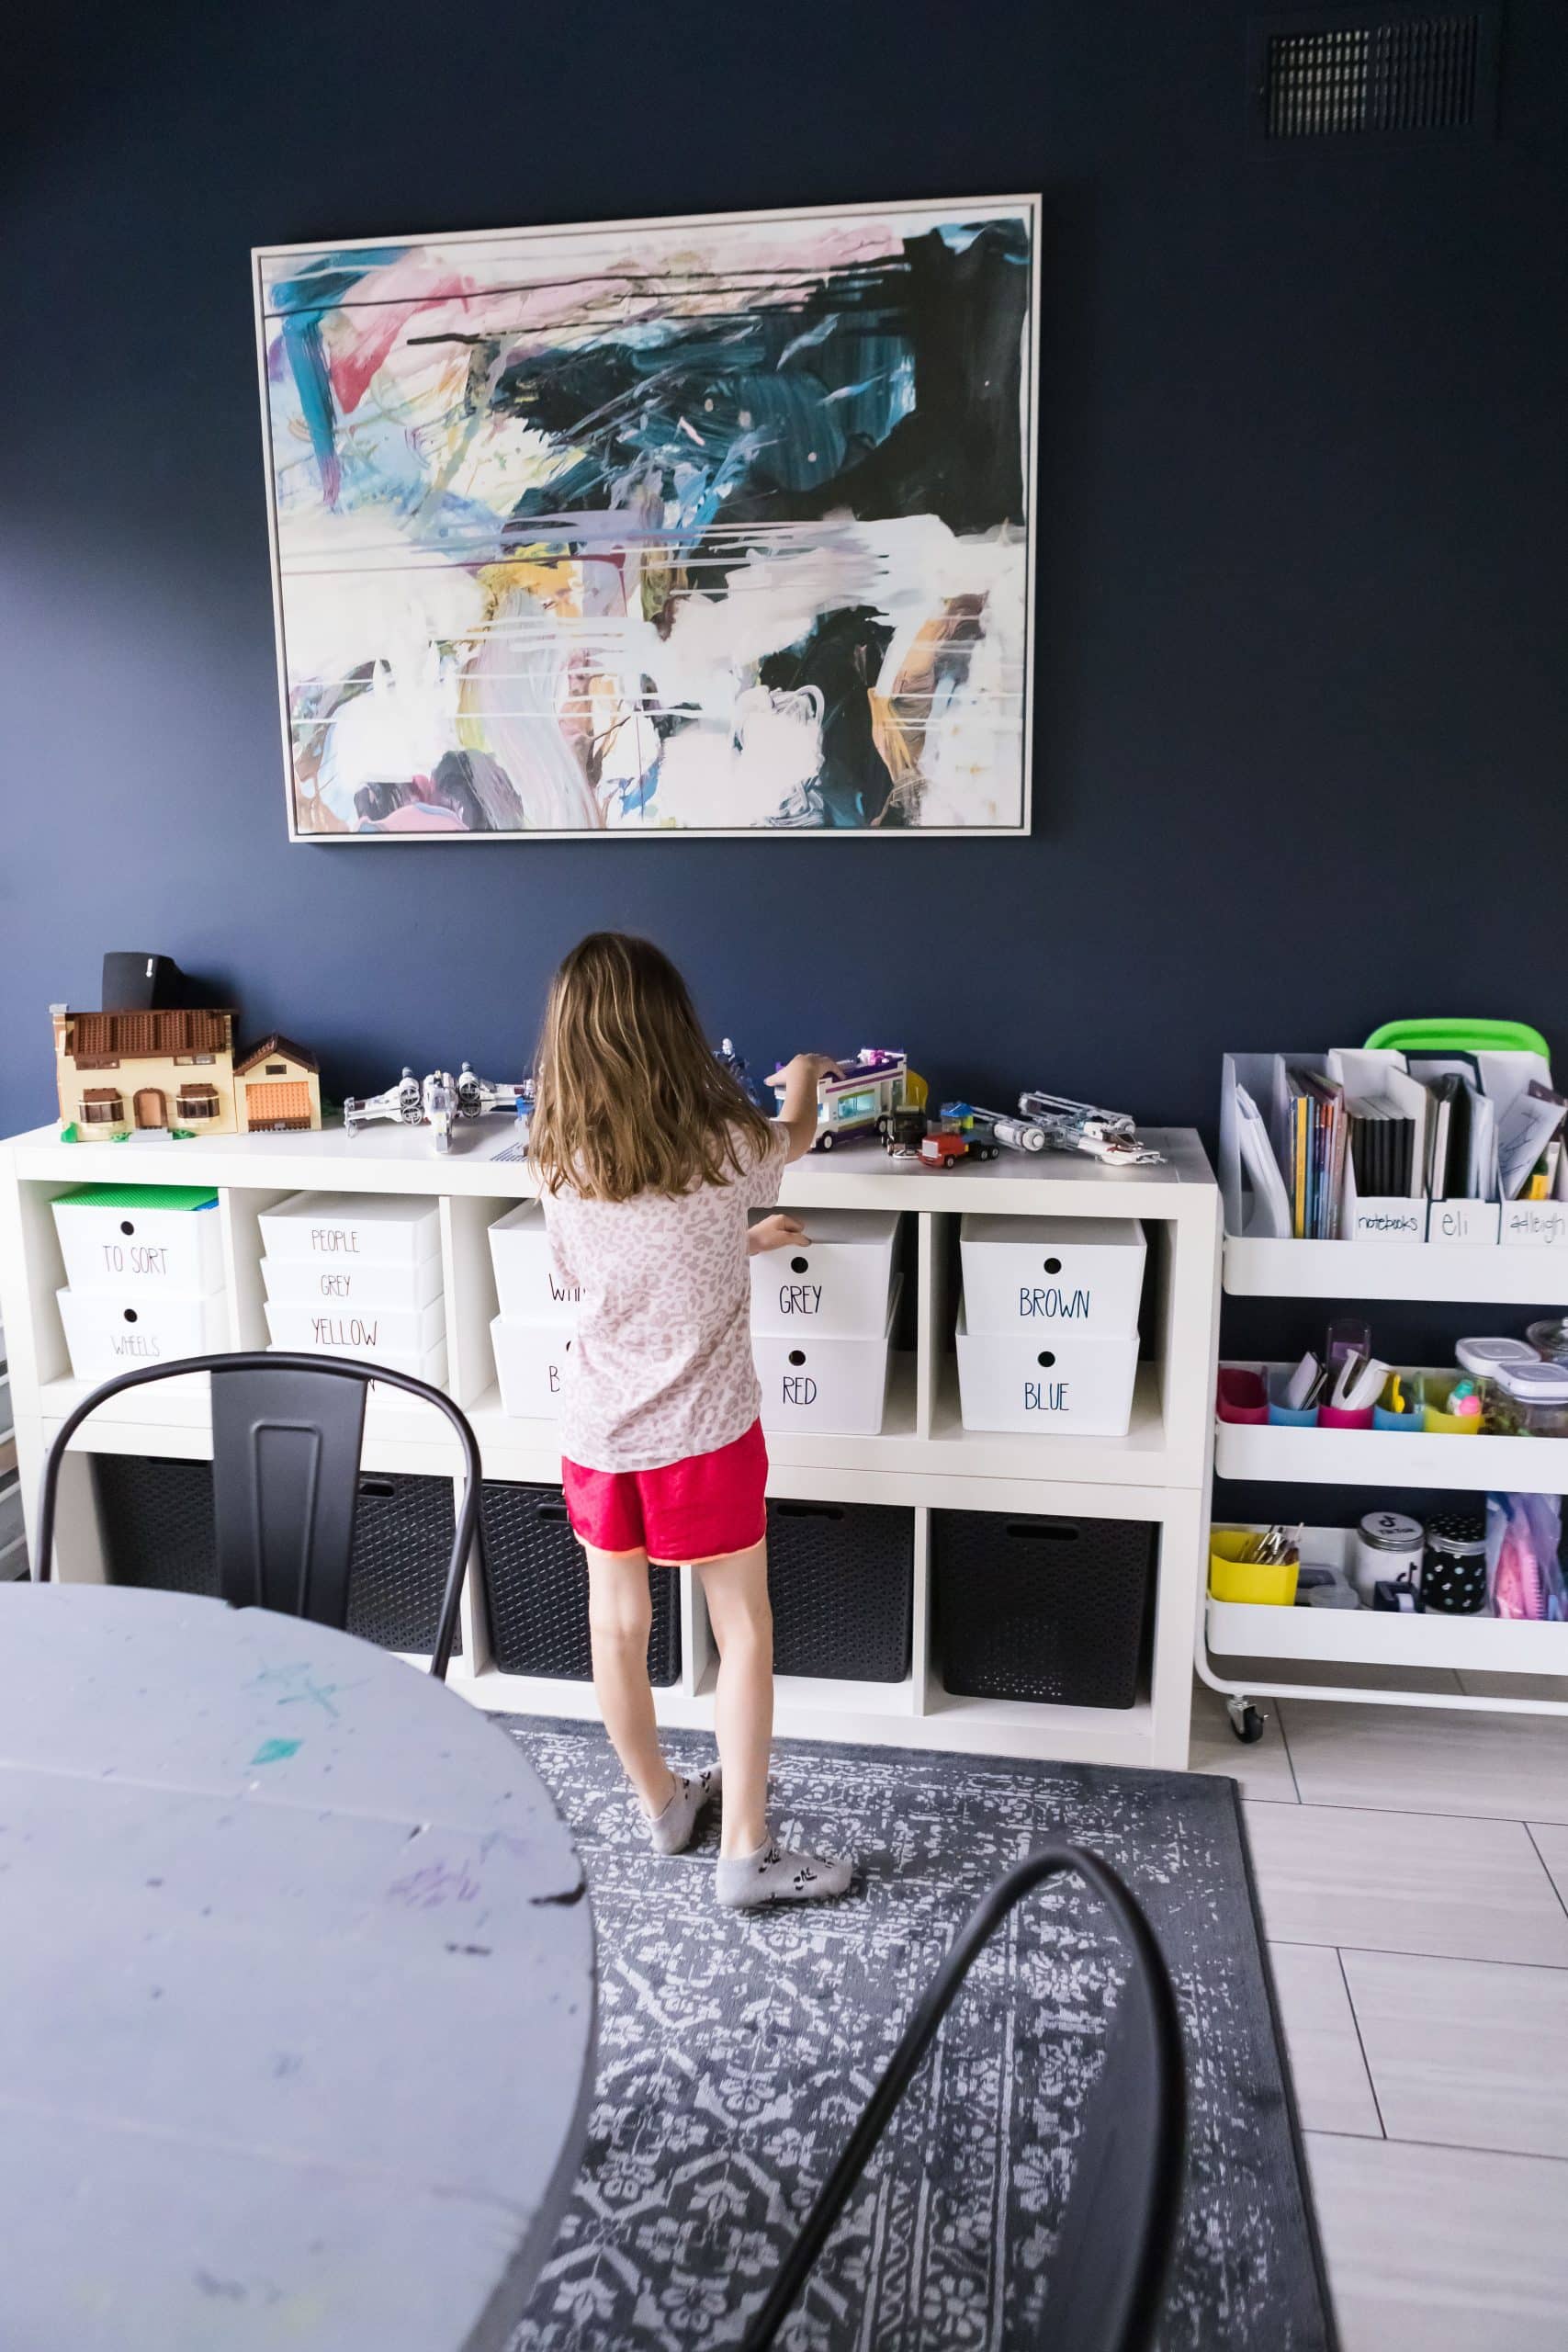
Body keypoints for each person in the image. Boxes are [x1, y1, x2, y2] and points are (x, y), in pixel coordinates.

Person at [529, 933, 852, 1909]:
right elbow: (792, 1138)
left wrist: (735, 1243)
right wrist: (802, 1080)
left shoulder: (557, 1155)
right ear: (673, 1029)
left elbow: (599, 1281)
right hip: (704, 1439)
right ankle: (746, 1852)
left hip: (598, 1433)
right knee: (742, 1628)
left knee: (617, 1625)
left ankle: (663, 1803)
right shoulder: (726, 1143)